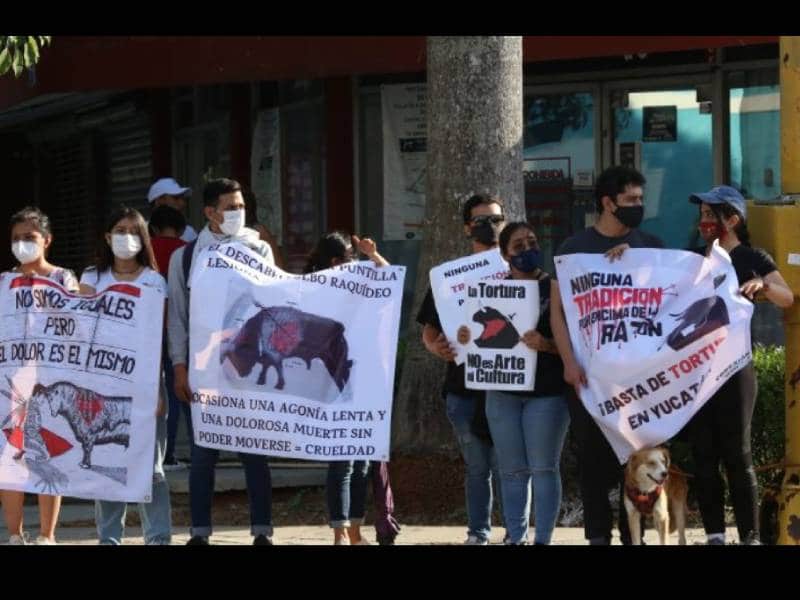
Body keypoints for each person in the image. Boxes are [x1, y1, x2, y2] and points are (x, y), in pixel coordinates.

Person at [550, 165, 663, 545]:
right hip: (589, 380)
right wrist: (568, 362)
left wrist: (636, 262)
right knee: (593, 464)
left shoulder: (651, 246)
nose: (638, 206)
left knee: (635, 463)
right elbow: (558, 313)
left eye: (640, 200)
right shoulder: (572, 250)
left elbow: (671, 297)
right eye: (630, 200)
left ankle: (635, 535)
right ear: (607, 202)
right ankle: (598, 536)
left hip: (637, 381)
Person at [167, 178, 275, 545]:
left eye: (241, 206)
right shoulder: (184, 256)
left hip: (248, 367)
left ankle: (262, 530)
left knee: (254, 453)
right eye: (230, 207)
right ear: (209, 212)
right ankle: (199, 532)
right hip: (204, 370)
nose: (238, 213)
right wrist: (179, 365)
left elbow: (272, 302)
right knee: (203, 455)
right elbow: (177, 318)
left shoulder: (259, 250)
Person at [686, 185, 793, 545]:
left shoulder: (751, 257)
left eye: (709, 215)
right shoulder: (692, 259)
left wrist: (762, 284)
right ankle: (715, 535)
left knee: (737, 453)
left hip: (736, 369)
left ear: (732, 220)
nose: (702, 222)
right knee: (703, 454)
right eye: (700, 215)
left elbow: (786, 295)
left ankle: (749, 537)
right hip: (697, 371)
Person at [457, 222, 569, 545]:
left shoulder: (556, 288)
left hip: (546, 394)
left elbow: (576, 341)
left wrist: (546, 344)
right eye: (518, 246)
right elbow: (470, 341)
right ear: (505, 255)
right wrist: (465, 337)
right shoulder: (488, 292)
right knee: (511, 471)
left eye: (532, 242)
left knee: (544, 468)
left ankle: (543, 540)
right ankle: (515, 538)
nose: (527, 250)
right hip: (502, 393)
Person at [416, 193, 507, 545]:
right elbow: (429, 328)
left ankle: (515, 532)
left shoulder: (520, 270)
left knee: (509, 467)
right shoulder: (449, 277)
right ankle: (478, 533)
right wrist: (435, 347)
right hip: (463, 389)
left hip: (508, 389)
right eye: (482, 220)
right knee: (477, 468)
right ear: (468, 226)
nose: (490, 226)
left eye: (496, 219)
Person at [78, 207, 172, 545]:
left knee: (152, 469)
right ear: (107, 236)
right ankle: (108, 539)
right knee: (107, 461)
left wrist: (159, 391)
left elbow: (157, 338)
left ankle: (158, 538)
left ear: (143, 239)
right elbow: (85, 324)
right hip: (102, 386)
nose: (126, 237)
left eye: (134, 231)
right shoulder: (91, 277)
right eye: (119, 229)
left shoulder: (154, 281)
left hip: (147, 384)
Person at [303, 231, 388, 545]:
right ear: (336, 262)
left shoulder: (362, 285)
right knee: (343, 460)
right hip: (335, 380)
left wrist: (373, 256)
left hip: (363, 377)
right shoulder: (314, 289)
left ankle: (355, 532)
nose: (356, 260)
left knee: (362, 459)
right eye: (352, 254)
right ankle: (340, 532)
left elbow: (388, 279)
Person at [0, 207, 78, 545]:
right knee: (10, 458)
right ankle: (15, 535)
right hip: (10, 383)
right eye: (16, 239)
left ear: (47, 240)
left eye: (29, 238)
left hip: (49, 384)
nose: (22, 245)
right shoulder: (3, 282)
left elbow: (78, 324)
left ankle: (47, 535)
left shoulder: (64, 279)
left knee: (45, 453)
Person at [149, 205, 193, 471]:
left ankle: (163, 453)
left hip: (152, 329)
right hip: (180, 328)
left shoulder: (147, 250)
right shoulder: (188, 250)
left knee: (159, 390)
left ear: (152, 228)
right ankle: (194, 446)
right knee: (182, 390)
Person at [147, 177, 197, 242]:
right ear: (159, 201)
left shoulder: (189, 233)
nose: (182, 203)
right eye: (176, 198)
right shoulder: (140, 230)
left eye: (183, 199)